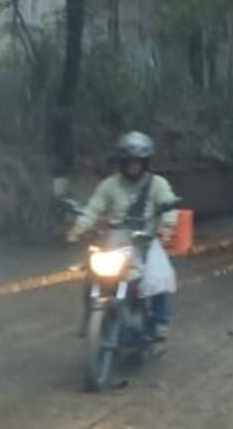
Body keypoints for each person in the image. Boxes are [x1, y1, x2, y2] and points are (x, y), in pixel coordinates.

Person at [68, 131, 179, 342]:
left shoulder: (157, 184)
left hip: (146, 239)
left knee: (160, 276)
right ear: (122, 162)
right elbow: (93, 208)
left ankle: (159, 323)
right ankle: (89, 316)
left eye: (138, 162)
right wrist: (79, 228)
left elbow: (169, 206)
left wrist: (167, 227)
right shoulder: (109, 185)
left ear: (145, 162)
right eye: (129, 161)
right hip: (115, 239)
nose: (133, 166)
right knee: (92, 273)